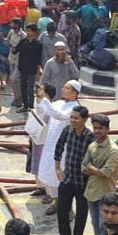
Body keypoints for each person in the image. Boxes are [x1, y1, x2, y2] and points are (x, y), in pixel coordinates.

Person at [39, 80, 82, 215]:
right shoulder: (59, 103)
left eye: (66, 88)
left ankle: (69, 210)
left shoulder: (75, 108)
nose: (62, 89)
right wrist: (39, 98)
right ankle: (57, 204)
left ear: (74, 93)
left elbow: (57, 114)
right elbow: (45, 111)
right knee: (51, 178)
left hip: (63, 150)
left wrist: (45, 99)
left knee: (61, 180)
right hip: (50, 146)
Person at [55, 105, 95, 235]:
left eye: (76, 118)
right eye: (71, 117)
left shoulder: (90, 137)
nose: (72, 120)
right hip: (67, 178)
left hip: (83, 182)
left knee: (82, 212)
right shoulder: (67, 130)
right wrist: (57, 168)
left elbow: (94, 159)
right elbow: (59, 147)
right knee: (61, 210)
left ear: (84, 120)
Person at [82, 114, 118, 235]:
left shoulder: (113, 150)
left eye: (100, 128)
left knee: (104, 227)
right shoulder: (92, 146)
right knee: (95, 224)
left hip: (105, 195)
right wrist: (95, 171)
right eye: (95, 128)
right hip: (91, 192)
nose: (97, 131)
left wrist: (92, 169)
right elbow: (82, 167)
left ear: (107, 129)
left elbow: (106, 173)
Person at [12, 24, 43, 112]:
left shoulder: (38, 44)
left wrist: (38, 73)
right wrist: (12, 47)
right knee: (23, 88)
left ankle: (31, 106)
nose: (27, 32)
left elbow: (39, 59)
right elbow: (15, 51)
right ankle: (25, 106)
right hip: (22, 69)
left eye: (29, 31)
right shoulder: (22, 42)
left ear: (34, 32)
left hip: (32, 70)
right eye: (26, 30)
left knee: (30, 89)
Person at [4, 19, 26, 107]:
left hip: (19, 61)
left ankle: (20, 97)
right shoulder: (11, 32)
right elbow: (6, 41)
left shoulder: (23, 35)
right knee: (15, 81)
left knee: (14, 79)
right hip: (11, 59)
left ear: (17, 25)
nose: (10, 24)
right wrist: (1, 37)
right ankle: (17, 98)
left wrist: (16, 49)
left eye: (12, 23)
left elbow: (24, 49)